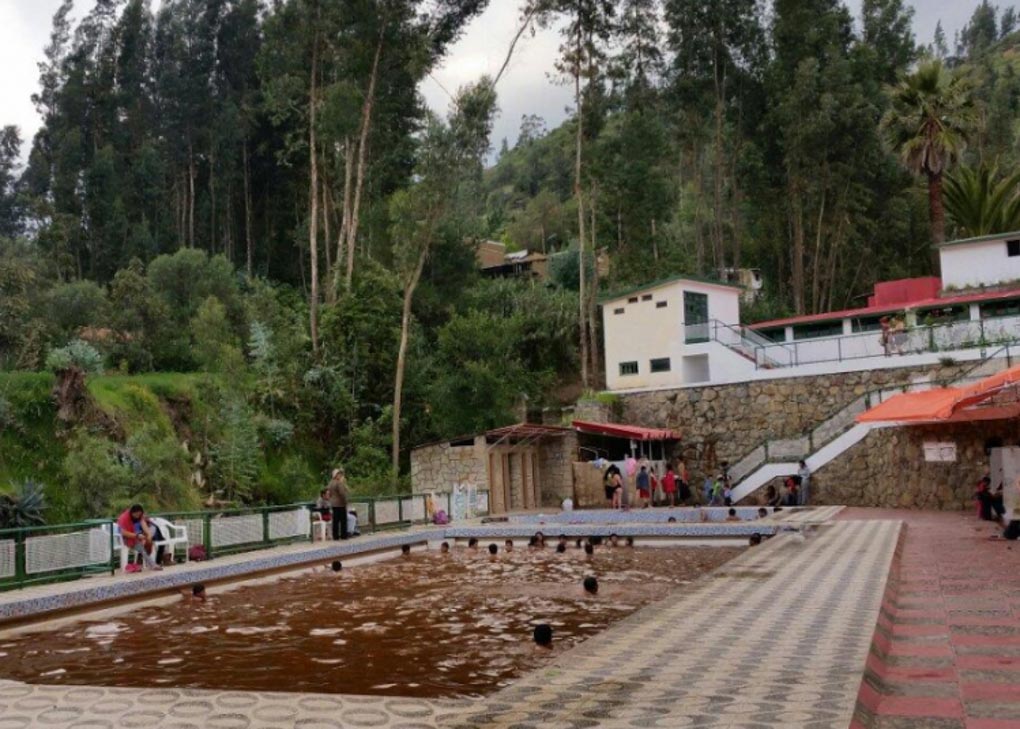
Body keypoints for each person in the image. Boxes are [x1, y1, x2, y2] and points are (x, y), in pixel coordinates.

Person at [116, 504, 162, 572]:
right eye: (136, 515)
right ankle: (152, 565)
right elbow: (123, 533)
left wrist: (148, 535)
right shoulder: (124, 518)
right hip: (125, 539)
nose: (138, 516)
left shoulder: (140, 516)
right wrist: (136, 536)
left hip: (137, 536)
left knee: (149, 542)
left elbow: (144, 525)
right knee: (141, 548)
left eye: (139, 515)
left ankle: (145, 562)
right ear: (132, 513)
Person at [325, 468, 349, 540]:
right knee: (343, 520)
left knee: (335, 521)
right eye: (339, 474)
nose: (341, 475)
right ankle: (343, 535)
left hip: (333, 504)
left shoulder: (330, 483)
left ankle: (335, 536)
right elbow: (342, 494)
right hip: (340, 504)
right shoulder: (339, 483)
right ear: (336, 475)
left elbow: (328, 493)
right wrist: (345, 501)